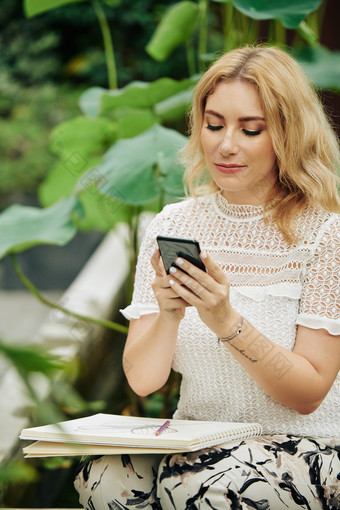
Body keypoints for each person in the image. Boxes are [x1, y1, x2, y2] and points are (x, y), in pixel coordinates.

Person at [74, 45, 340, 509]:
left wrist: (225, 321)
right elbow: (142, 381)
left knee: (200, 485)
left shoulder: (326, 233)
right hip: (194, 440)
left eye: (250, 129)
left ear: (288, 133)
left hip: (302, 446)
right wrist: (170, 314)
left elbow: (307, 394)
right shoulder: (172, 226)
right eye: (214, 125)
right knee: (104, 477)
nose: (225, 144)